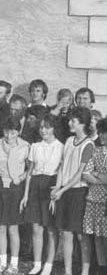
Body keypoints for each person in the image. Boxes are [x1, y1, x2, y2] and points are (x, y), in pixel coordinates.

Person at [50, 107, 94, 275]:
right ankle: (67, 272)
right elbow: (62, 166)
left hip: (79, 192)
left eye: (73, 121)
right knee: (66, 233)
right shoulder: (69, 141)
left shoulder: (88, 145)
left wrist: (62, 190)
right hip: (65, 191)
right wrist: (58, 187)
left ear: (82, 124)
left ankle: (84, 271)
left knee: (81, 235)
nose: (69, 123)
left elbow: (80, 174)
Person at [19, 114, 64, 275]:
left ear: (54, 128)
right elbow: (30, 172)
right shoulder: (35, 146)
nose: (43, 130)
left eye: (47, 127)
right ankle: (37, 264)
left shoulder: (61, 147)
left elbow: (61, 171)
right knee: (36, 227)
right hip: (35, 187)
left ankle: (49, 264)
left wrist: (55, 192)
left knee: (51, 228)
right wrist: (25, 195)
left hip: (51, 185)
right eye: (41, 127)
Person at [0, 116, 30, 274]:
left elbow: (30, 168)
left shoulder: (25, 146)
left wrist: (22, 177)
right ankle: (2, 261)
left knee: (13, 228)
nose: (9, 136)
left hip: (15, 189)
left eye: (12, 133)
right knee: (1, 227)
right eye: (6, 132)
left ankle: (14, 264)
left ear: (18, 132)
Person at [82, 117, 107, 275]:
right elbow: (85, 173)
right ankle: (101, 266)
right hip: (93, 198)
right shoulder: (96, 151)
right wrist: (102, 177)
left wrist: (96, 174)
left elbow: (92, 173)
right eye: (102, 132)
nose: (103, 135)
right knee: (97, 236)